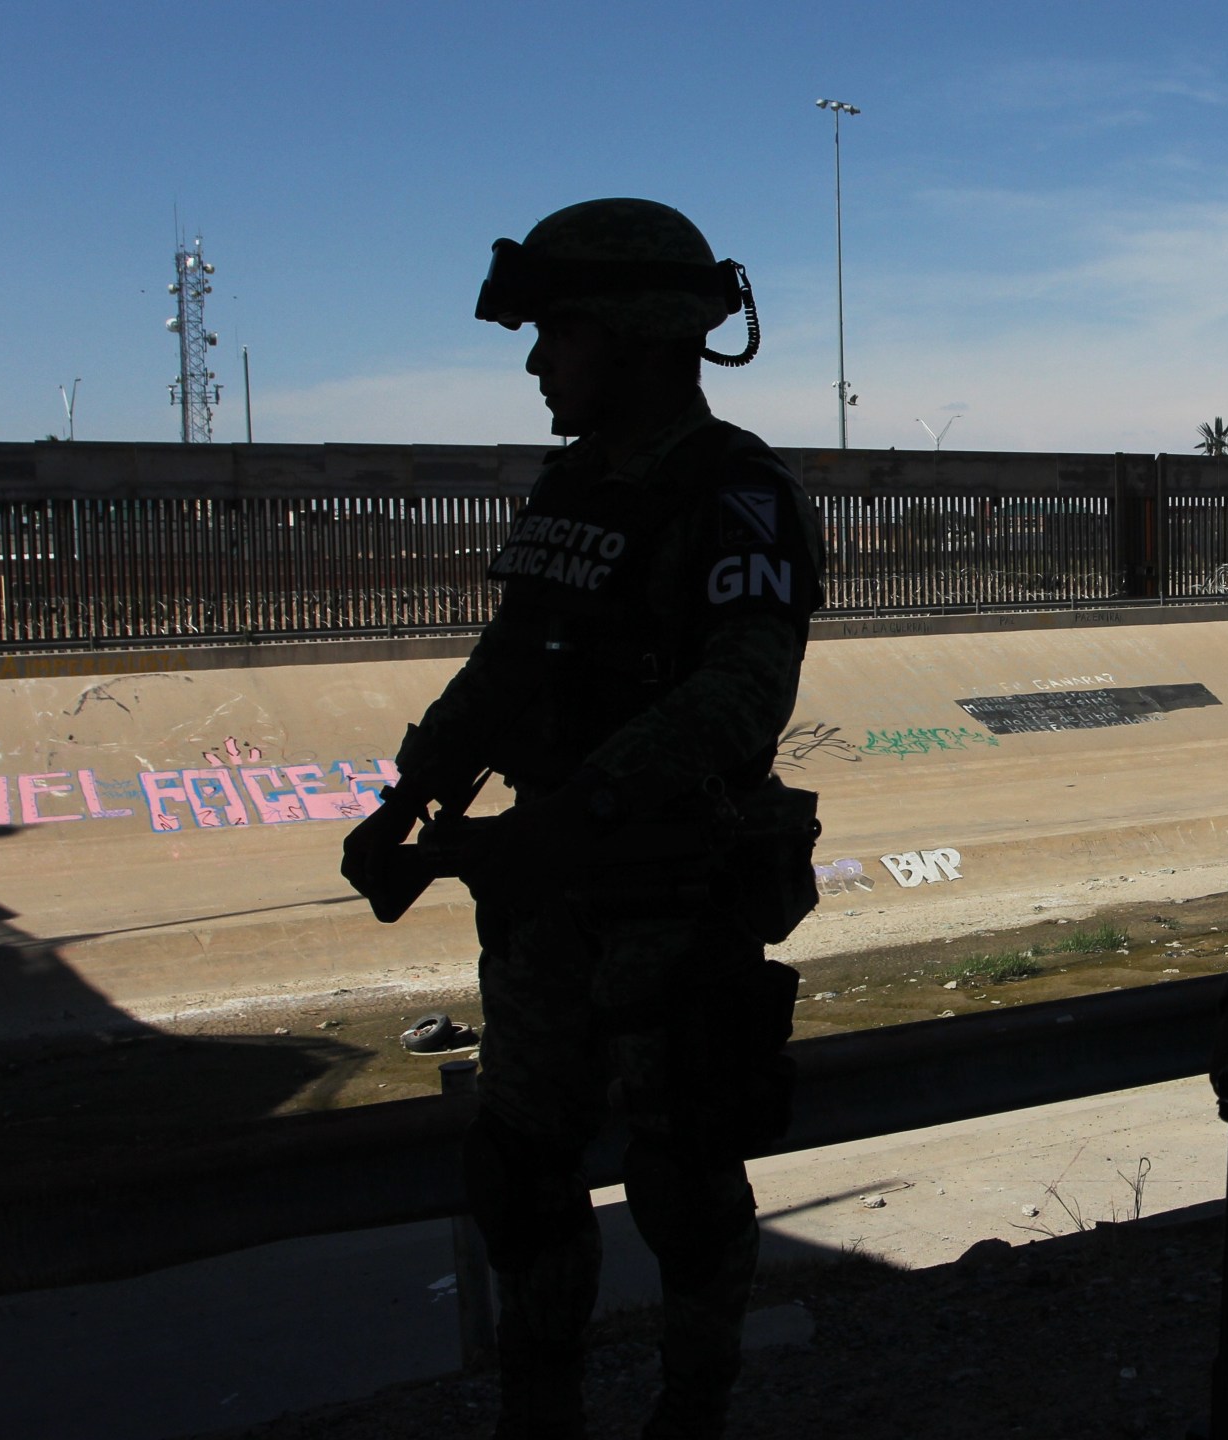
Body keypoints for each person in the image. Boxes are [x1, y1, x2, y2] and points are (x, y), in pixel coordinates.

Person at [345, 198, 822, 1440]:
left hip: (668, 893)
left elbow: (740, 693)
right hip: (546, 898)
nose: (536, 363)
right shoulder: (571, 489)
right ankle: (538, 1408)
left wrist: (586, 813)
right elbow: (513, 662)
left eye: (557, 334)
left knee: (682, 1176)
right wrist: (412, 791)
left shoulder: (738, 492)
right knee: (521, 1169)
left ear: (635, 336)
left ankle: (689, 1411)